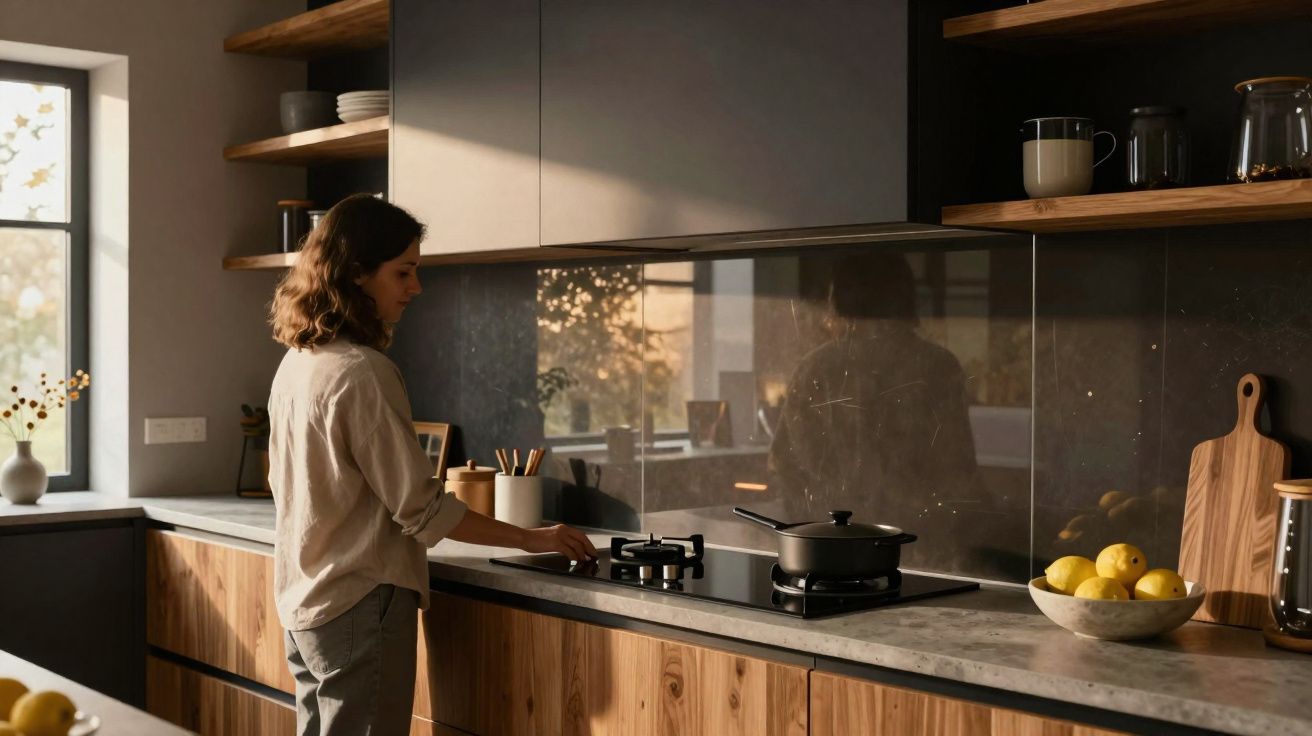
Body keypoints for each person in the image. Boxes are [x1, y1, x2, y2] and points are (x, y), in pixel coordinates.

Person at [266, 194, 596, 735]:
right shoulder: (362, 372)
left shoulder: (298, 362)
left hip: (306, 600)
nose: (416, 287)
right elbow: (422, 510)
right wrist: (531, 538)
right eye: (403, 272)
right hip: (359, 601)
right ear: (356, 273)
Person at [767, 252, 987, 561]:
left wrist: (813, 527)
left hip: (834, 545)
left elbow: (784, 462)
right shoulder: (937, 365)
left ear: (840, 300)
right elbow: (958, 469)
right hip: (918, 546)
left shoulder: (817, 367)